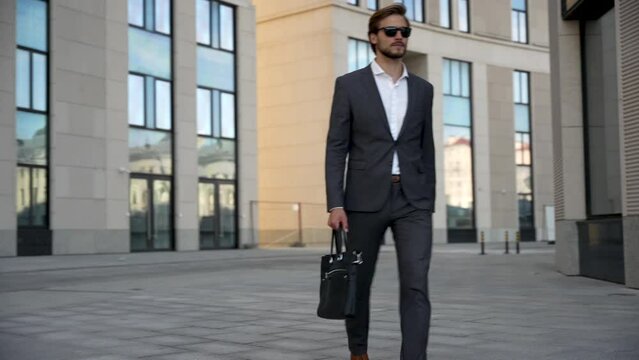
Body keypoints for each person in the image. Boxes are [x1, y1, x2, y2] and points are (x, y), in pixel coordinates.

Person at [324, 3, 436, 360]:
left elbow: (425, 146)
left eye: (404, 31)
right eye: (391, 31)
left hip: (412, 201)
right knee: (358, 282)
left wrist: (427, 198)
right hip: (362, 200)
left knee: (416, 284)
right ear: (374, 38)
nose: (399, 37)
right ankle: (359, 352)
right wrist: (335, 203)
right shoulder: (349, 85)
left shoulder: (423, 89)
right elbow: (336, 146)